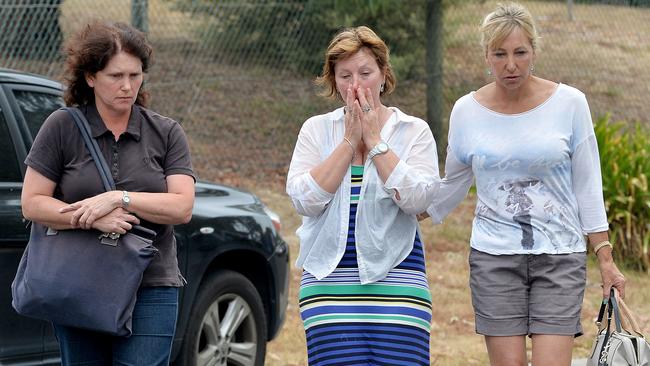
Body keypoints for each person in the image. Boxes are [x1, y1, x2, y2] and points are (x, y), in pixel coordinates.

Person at [423, 3, 626, 366]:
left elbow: (588, 185)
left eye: (520, 52)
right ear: (486, 54)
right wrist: (405, 206)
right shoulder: (466, 111)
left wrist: (606, 259)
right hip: (493, 258)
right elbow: (451, 185)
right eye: (499, 54)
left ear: (534, 51)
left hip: (559, 256)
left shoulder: (570, 103)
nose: (510, 64)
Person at [21, 21, 195, 365]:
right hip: (79, 281)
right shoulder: (62, 126)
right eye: (116, 76)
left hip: (152, 283)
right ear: (90, 77)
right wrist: (91, 219)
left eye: (135, 74)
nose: (127, 86)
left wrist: (119, 197)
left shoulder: (165, 132)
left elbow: (182, 207)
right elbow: (33, 203)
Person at [286, 26, 440, 365]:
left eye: (366, 73)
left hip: (398, 283)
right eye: (345, 75)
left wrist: (375, 141)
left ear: (384, 74)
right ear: (333, 81)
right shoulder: (316, 130)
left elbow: (418, 200)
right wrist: (347, 142)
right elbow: (305, 201)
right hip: (327, 287)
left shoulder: (413, 131)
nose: (355, 85)